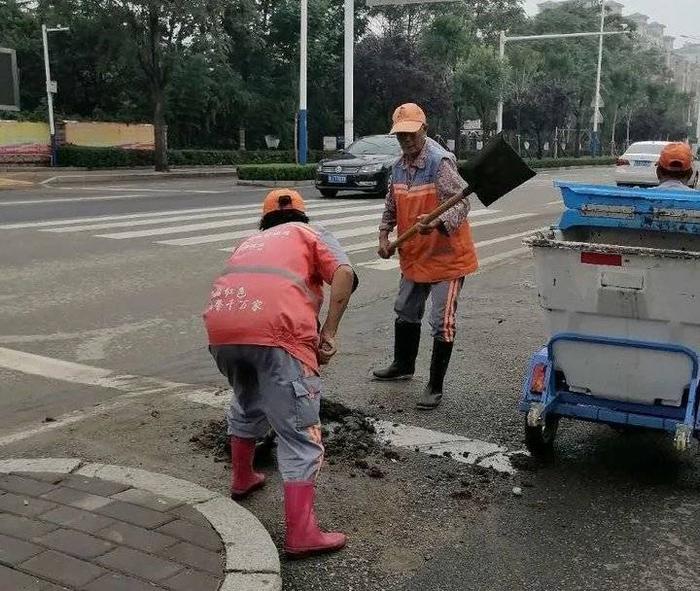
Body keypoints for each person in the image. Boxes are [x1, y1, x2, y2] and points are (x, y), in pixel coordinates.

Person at [203, 189, 357, 557]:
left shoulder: (250, 240)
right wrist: (329, 332)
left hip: (223, 329)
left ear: (264, 219)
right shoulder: (311, 233)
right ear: (301, 217)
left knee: (247, 399)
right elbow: (345, 275)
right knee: (299, 431)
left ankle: (242, 477)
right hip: (278, 332)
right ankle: (302, 533)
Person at [374, 103, 478, 410]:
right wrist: (384, 235)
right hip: (415, 255)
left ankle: (434, 385)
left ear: (424, 129)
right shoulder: (398, 167)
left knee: (441, 322)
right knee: (405, 310)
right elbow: (391, 206)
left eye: (411, 133)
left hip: (447, 258)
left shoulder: (440, 162)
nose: (406, 140)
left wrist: (437, 222)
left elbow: (461, 204)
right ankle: (403, 365)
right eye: (400, 135)